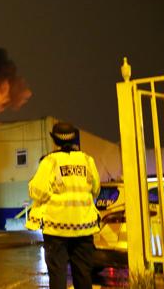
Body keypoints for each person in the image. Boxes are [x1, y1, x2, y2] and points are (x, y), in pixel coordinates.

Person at [26, 122, 101, 289]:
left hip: (56, 229)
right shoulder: (87, 160)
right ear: (74, 138)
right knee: (83, 275)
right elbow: (95, 189)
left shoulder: (50, 161)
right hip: (84, 228)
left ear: (55, 140)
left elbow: (38, 191)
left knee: (58, 274)